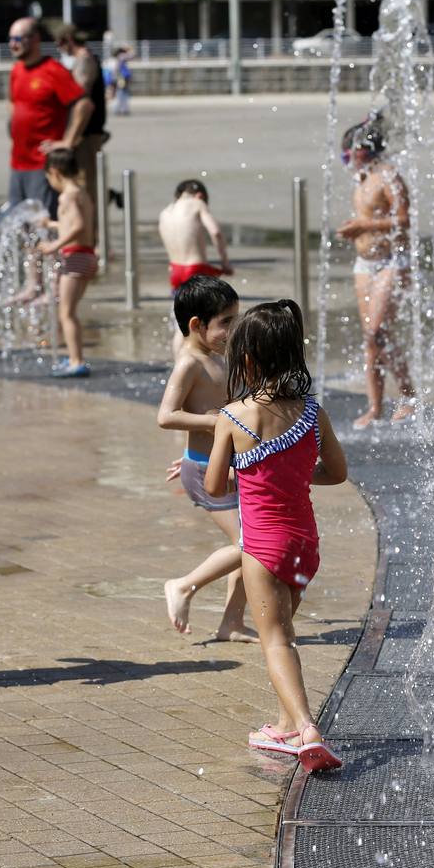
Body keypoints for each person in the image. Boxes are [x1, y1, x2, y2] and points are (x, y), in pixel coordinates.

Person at [206, 300, 348, 773]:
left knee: (275, 641)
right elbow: (338, 472)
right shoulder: (312, 413)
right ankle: (285, 726)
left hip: (264, 548)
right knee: (284, 633)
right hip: (305, 545)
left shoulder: (233, 416)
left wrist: (249, 478)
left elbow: (213, 486)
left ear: (246, 359)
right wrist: (293, 478)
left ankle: (307, 729)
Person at [157, 276, 256, 643]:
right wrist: (216, 422)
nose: (234, 328)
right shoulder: (190, 363)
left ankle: (232, 622)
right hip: (204, 469)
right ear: (196, 325)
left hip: (219, 466)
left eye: (236, 318)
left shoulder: (216, 356)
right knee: (252, 544)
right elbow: (166, 416)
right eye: (226, 322)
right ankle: (184, 586)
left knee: (251, 544)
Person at [338, 116, 416, 429]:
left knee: (377, 332)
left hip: (392, 262)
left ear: (362, 150)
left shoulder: (389, 177)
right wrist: (355, 230)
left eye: (347, 154)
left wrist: (363, 226)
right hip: (364, 265)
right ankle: (376, 406)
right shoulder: (362, 178)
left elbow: (406, 221)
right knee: (372, 339)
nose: (345, 160)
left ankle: (409, 396)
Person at [7, 17, 89, 303]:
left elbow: (83, 104)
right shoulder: (16, 70)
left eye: (18, 39)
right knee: (26, 227)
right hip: (18, 162)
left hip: (44, 166)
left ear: (34, 40)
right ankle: (33, 284)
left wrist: (68, 141)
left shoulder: (52, 70)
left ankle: (54, 286)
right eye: (11, 39)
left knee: (47, 223)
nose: (12, 45)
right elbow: (15, 105)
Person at [36, 149, 97, 378]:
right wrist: (52, 224)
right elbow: (73, 223)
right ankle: (73, 356)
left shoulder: (67, 196)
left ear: (55, 172)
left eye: (48, 177)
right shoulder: (81, 193)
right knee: (69, 310)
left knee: (67, 313)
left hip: (75, 258)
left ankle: (77, 361)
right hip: (86, 255)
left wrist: (53, 246)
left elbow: (78, 226)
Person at [159, 180, 232, 357]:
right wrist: (224, 262)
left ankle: (180, 364)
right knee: (211, 321)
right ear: (200, 195)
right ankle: (209, 365)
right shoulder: (197, 204)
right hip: (197, 270)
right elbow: (215, 232)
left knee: (181, 325)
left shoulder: (165, 212)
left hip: (175, 272)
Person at [53, 25, 108, 235]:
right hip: (81, 134)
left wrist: (69, 139)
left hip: (85, 134)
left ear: (68, 39)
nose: (59, 47)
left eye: (59, 42)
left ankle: (89, 239)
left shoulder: (85, 60)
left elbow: (80, 100)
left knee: (85, 187)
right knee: (80, 185)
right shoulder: (83, 60)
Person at [113, 46, 133, 116]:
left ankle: (122, 109)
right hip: (122, 78)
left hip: (122, 77)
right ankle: (121, 109)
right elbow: (131, 56)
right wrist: (129, 49)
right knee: (122, 93)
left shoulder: (119, 57)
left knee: (122, 93)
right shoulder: (121, 56)